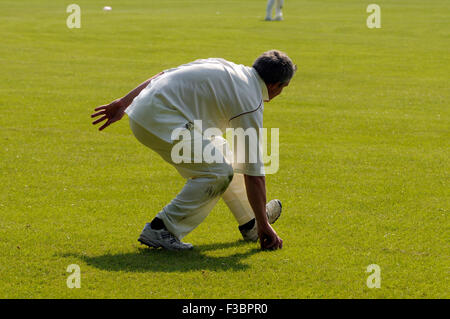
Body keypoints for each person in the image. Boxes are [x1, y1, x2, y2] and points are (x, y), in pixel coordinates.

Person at [91, 50, 296, 251]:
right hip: (160, 119)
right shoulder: (251, 101)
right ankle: (163, 228)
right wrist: (266, 224)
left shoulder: (225, 65)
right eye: (283, 88)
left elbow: (164, 75)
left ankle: (250, 222)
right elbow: (254, 173)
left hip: (145, 110)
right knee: (218, 170)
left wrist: (124, 102)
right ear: (274, 85)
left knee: (222, 153)